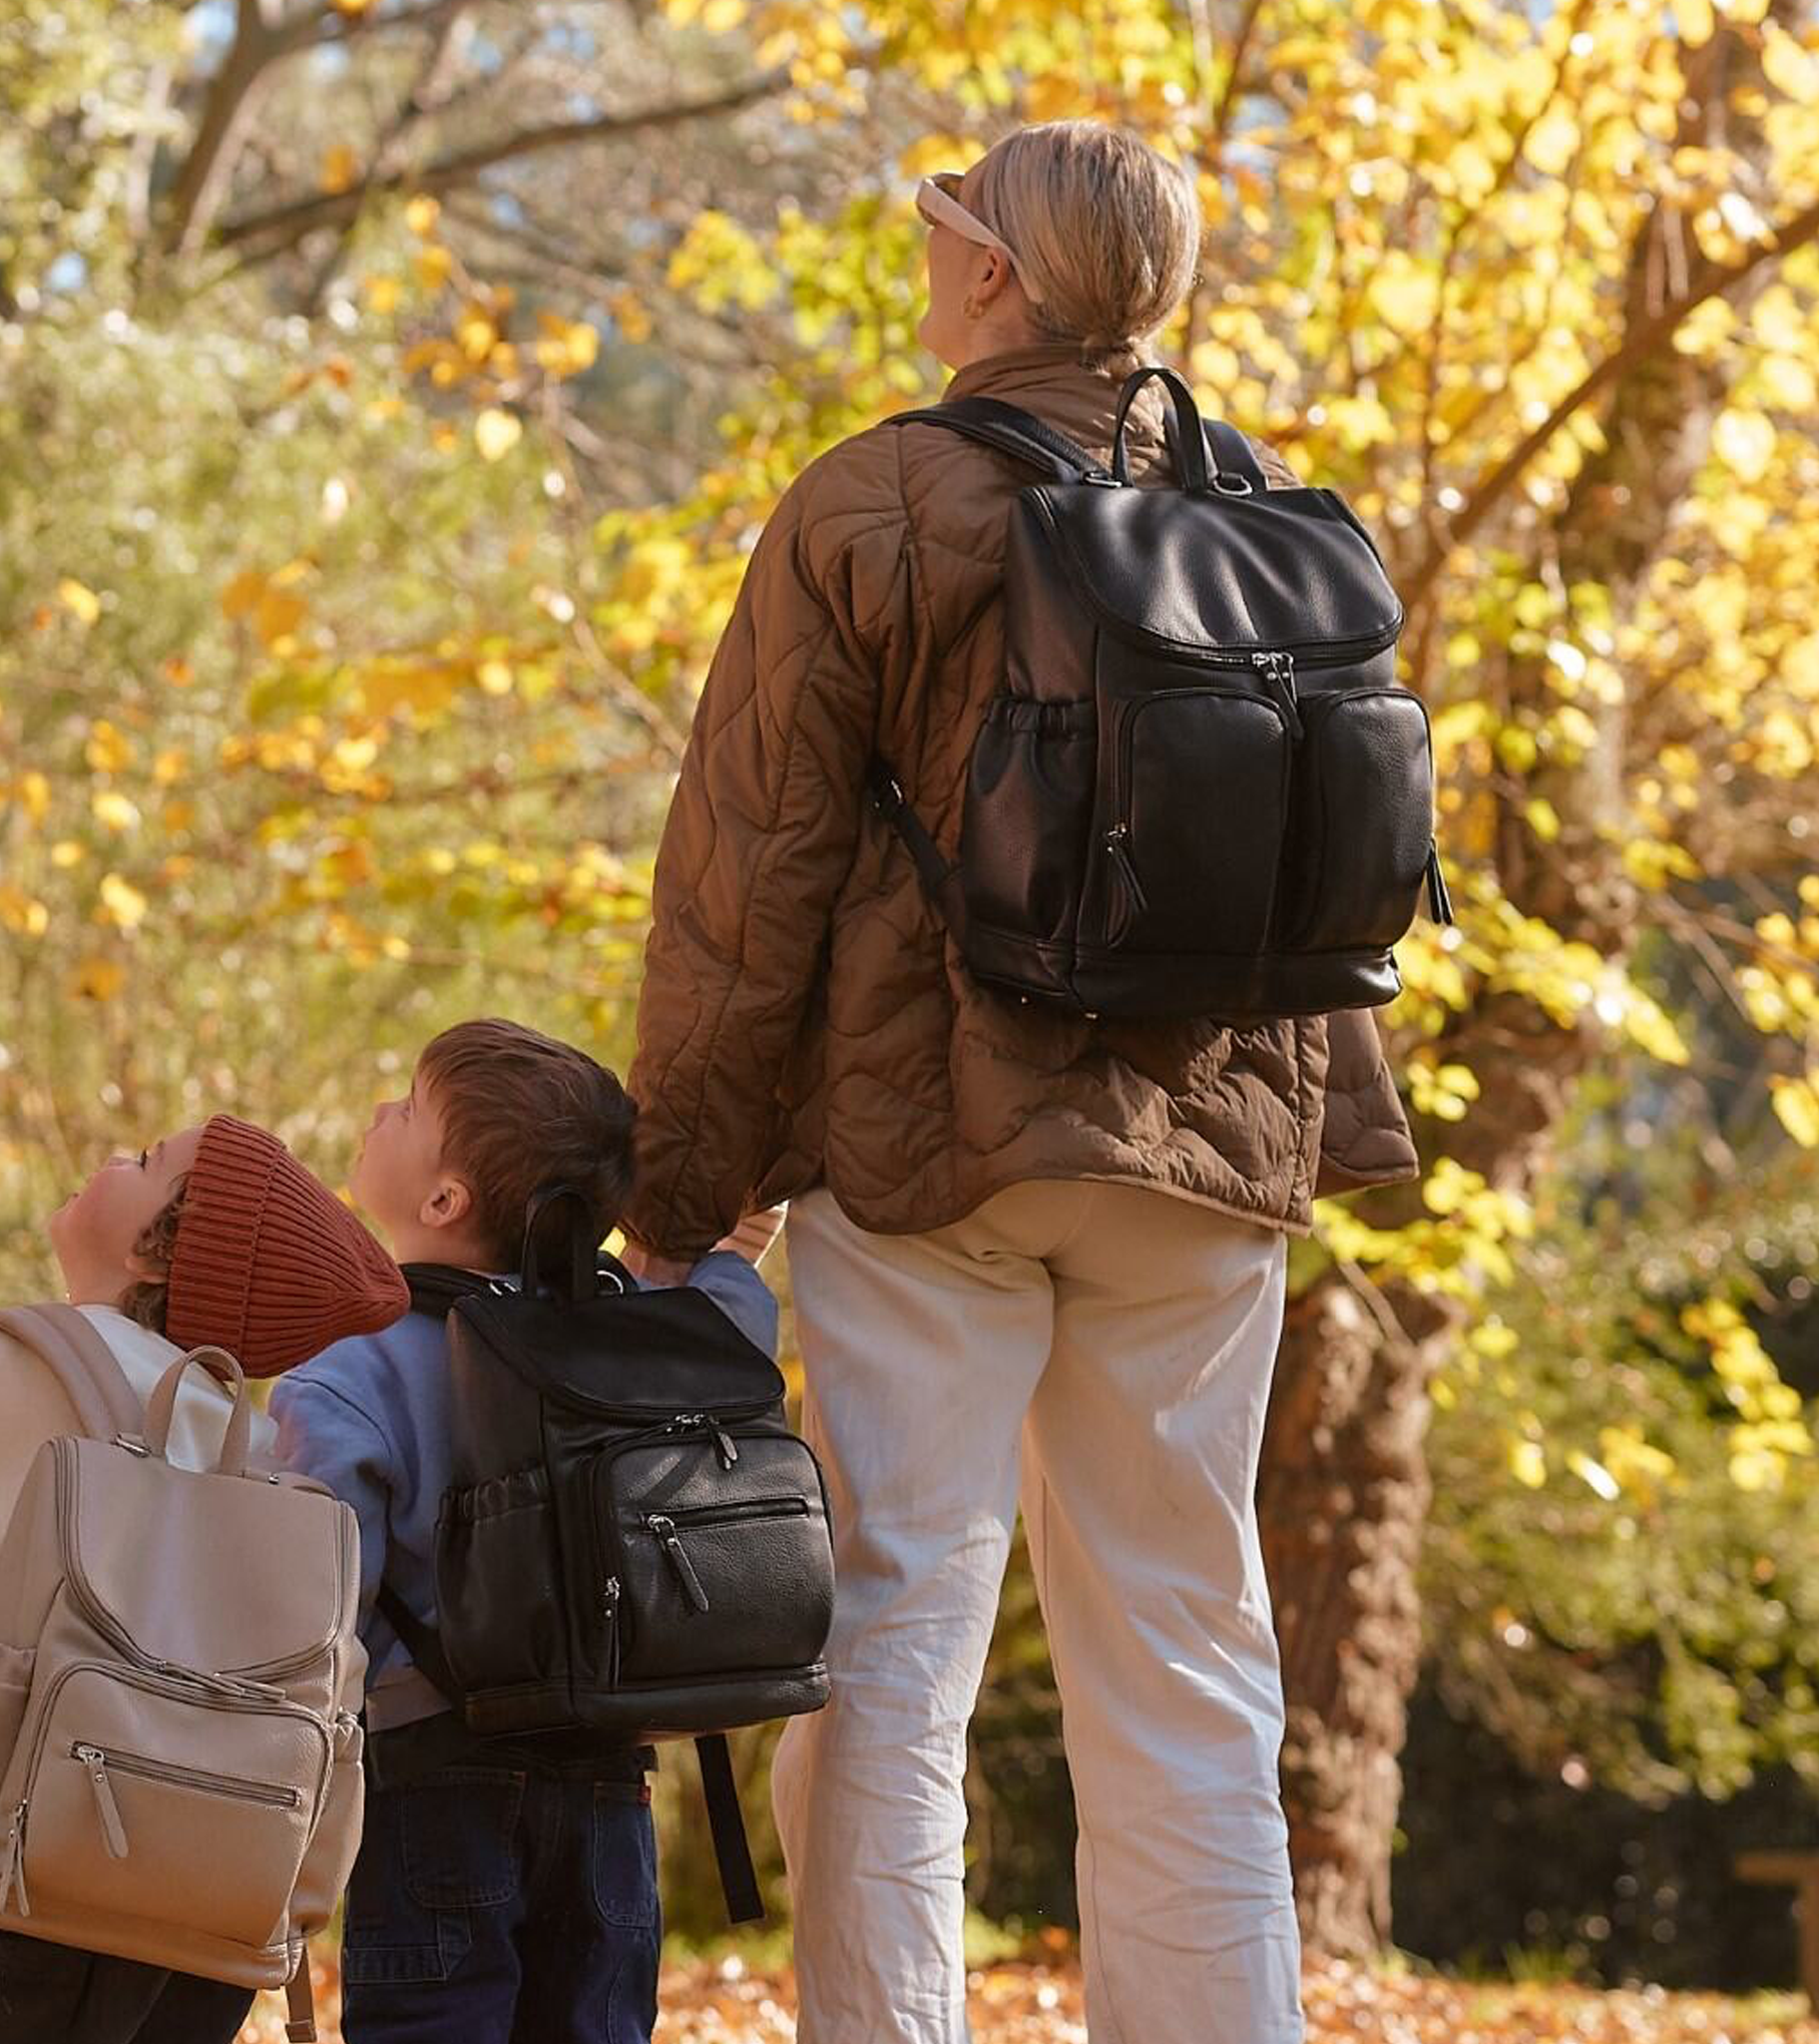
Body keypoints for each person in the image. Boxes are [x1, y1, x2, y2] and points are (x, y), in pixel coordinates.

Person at [620, 122, 1421, 2044]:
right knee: (1188, 1647)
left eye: (938, 224)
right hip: (1206, 1156)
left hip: (930, 1141)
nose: (923, 252)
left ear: (991, 272)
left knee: (896, 1631)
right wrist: (1331, 1123)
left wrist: (681, 1188)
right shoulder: (1267, 509)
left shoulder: (874, 501)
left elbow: (750, 874)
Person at [0, 1113, 409, 2044]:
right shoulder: (258, 1449)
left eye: (146, 1162)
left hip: (44, 1868)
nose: (116, 1154)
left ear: (157, 1253)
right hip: (212, 1903)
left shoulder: (12, 1369)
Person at [269, 1018, 778, 2044]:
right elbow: (737, 1325)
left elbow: (312, 1617)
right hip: (610, 1782)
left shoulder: (352, 1369)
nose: (382, 1111)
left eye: (409, 1107)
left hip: (431, 1781)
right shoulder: (627, 1329)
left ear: (444, 1201)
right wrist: (724, 1254)